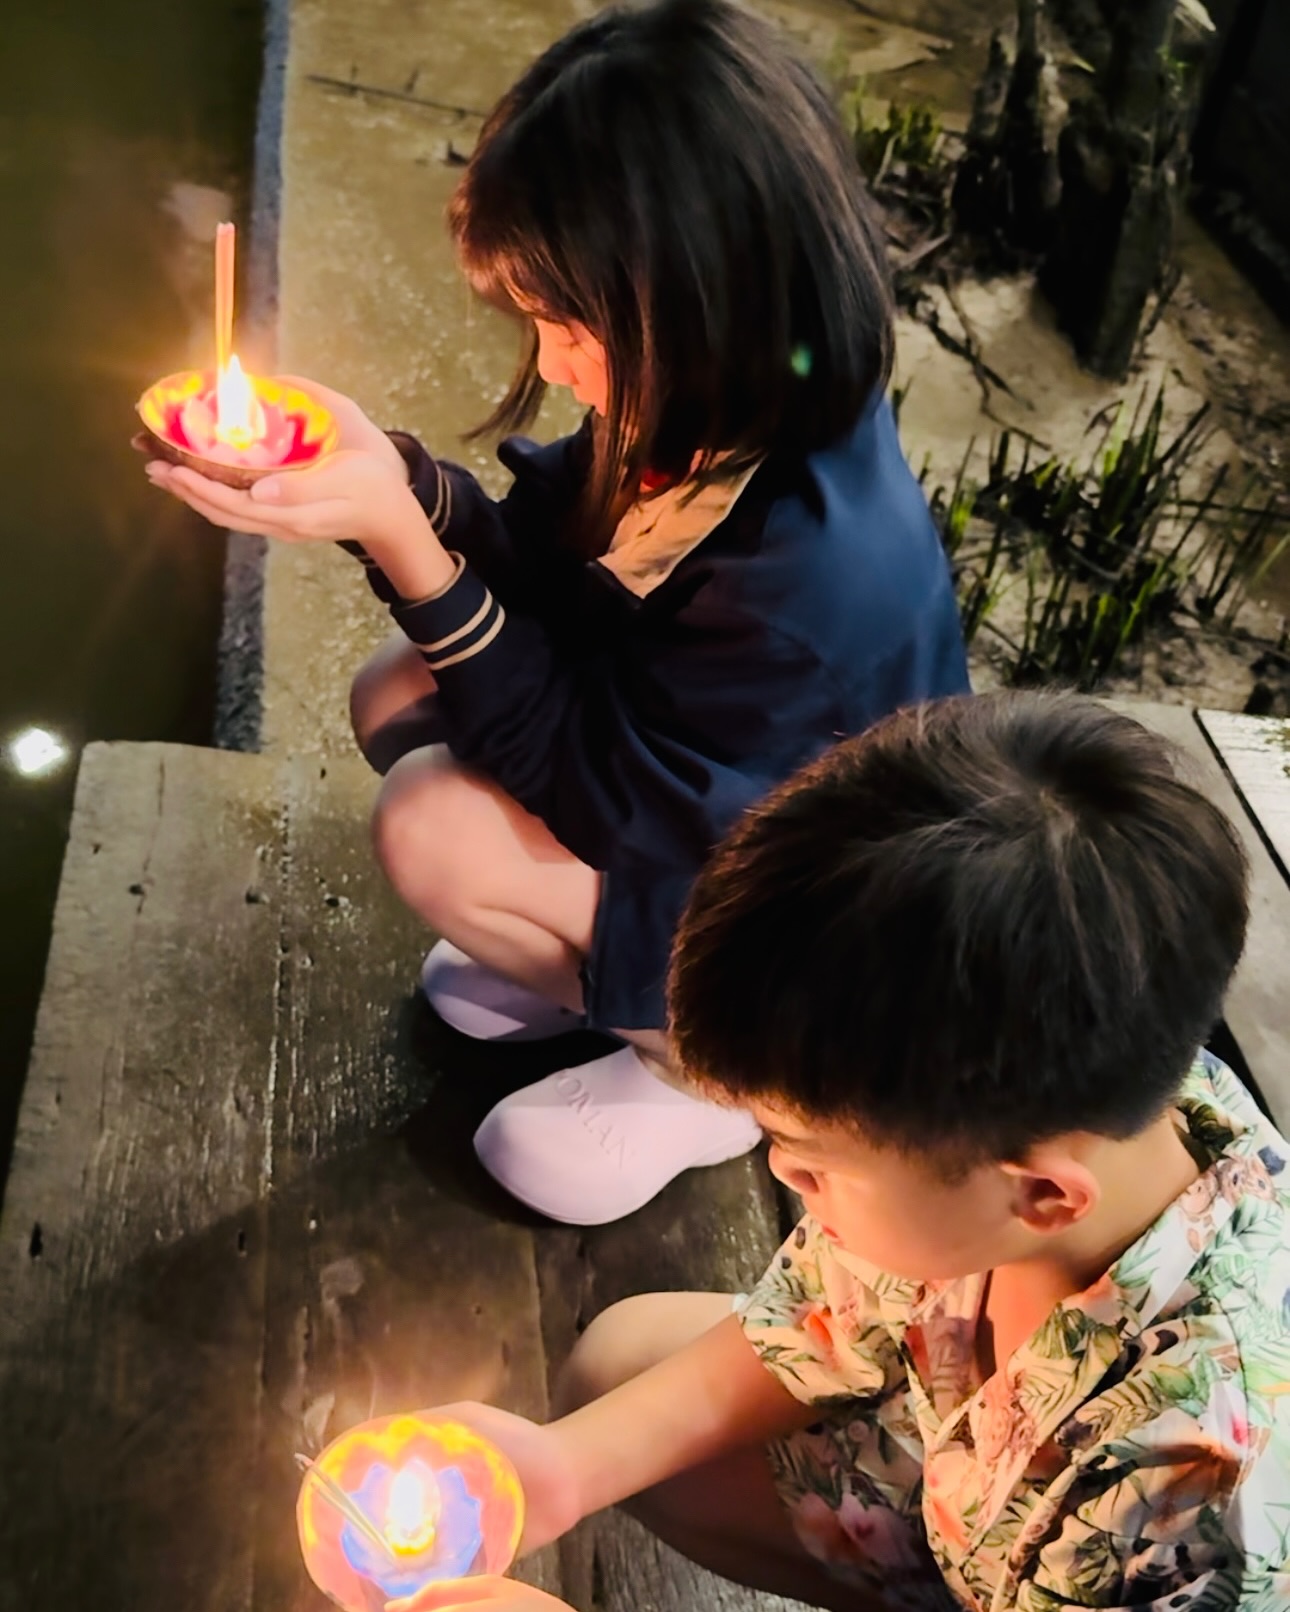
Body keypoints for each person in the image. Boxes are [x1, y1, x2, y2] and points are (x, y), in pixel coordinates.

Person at [143, 0, 968, 1226]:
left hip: (811, 956)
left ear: (694, 288)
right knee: (397, 688)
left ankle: (706, 1079)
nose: (552, 360)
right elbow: (555, 575)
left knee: (434, 827)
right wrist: (394, 476)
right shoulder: (717, 397)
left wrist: (404, 542)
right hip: (689, 800)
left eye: (565, 324)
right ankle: (589, 974)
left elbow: (591, 777)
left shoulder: (811, 570)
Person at [412, 693, 1290, 1610]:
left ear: (1040, 1197)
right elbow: (822, 1317)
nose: (782, 1175)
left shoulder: (1203, 1484)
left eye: (815, 1163)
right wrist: (557, 1468)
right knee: (617, 1369)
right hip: (956, 1476)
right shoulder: (1053, 1096)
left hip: (1085, 1558)